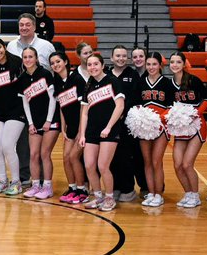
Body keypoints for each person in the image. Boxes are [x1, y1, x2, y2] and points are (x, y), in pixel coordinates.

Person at [78, 53, 125, 210]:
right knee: (89, 165)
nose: (93, 67)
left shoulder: (113, 81)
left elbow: (120, 106)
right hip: (92, 131)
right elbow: (84, 113)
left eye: (96, 64)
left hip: (109, 131)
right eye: (89, 65)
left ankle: (110, 198)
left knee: (103, 166)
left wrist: (109, 127)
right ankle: (98, 197)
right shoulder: (88, 86)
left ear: (103, 65)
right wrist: (82, 134)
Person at [168, 53, 207, 208]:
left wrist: (195, 114)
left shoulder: (193, 80)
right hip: (181, 127)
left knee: (187, 164)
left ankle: (195, 195)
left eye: (178, 62)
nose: (175, 65)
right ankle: (188, 194)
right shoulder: (169, 84)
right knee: (177, 164)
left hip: (196, 124)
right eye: (172, 62)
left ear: (184, 64)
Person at [19, 47, 59, 200]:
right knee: (33, 154)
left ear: (36, 58)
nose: (28, 59)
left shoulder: (45, 74)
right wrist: (30, 123)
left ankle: (47, 187)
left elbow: (52, 99)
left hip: (50, 121)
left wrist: (48, 120)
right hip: (34, 122)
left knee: (44, 154)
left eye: (31, 56)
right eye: (25, 57)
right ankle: (36, 185)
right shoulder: (22, 78)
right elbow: (25, 103)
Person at [134, 52, 174, 207]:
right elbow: (137, 104)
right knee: (147, 161)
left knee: (157, 161)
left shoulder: (166, 83)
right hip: (145, 126)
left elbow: (171, 106)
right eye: (148, 64)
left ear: (160, 65)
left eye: (154, 64)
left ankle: (159, 194)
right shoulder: (140, 82)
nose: (151, 67)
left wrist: (160, 118)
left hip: (161, 126)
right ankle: (151, 193)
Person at [0, 38, 24, 195]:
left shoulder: (17, 62)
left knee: (8, 145)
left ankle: (16, 182)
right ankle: (2, 181)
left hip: (15, 110)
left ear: (5, 47)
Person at [108, 46, 144, 202]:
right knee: (111, 156)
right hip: (109, 122)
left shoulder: (132, 74)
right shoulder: (106, 74)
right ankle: (115, 187)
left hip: (127, 123)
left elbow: (135, 97)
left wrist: (122, 112)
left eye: (124, 56)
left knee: (126, 156)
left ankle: (128, 189)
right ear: (111, 58)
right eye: (117, 55)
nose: (121, 58)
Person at [51, 51, 88, 203]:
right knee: (66, 158)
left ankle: (82, 190)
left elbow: (83, 107)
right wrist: (63, 127)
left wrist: (81, 131)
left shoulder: (77, 79)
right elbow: (62, 106)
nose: (55, 65)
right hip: (70, 127)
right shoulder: (58, 82)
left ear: (66, 62)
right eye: (52, 63)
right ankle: (72, 188)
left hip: (82, 127)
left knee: (74, 157)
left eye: (58, 61)